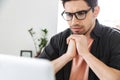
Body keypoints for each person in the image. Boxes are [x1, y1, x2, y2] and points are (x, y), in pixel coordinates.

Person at [39, 0, 120, 80]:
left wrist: (85, 54)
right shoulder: (58, 39)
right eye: (69, 14)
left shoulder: (114, 38)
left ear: (95, 11)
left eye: (81, 13)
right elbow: (36, 73)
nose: (74, 22)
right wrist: (67, 56)